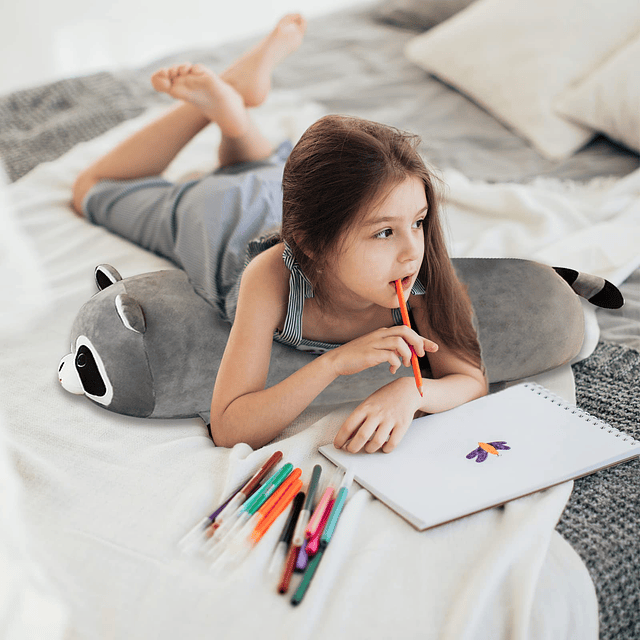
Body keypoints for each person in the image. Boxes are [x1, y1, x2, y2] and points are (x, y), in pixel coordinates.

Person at [72, 14, 487, 454]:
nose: (411, 252)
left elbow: (470, 380)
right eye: (384, 233)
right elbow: (230, 428)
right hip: (220, 215)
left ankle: (235, 117)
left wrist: (411, 392)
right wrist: (334, 364)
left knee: (265, 172)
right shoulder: (269, 277)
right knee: (91, 189)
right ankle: (209, 106)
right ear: (311, 246)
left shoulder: (411, 275)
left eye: (418, 222)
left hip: (285, 191)